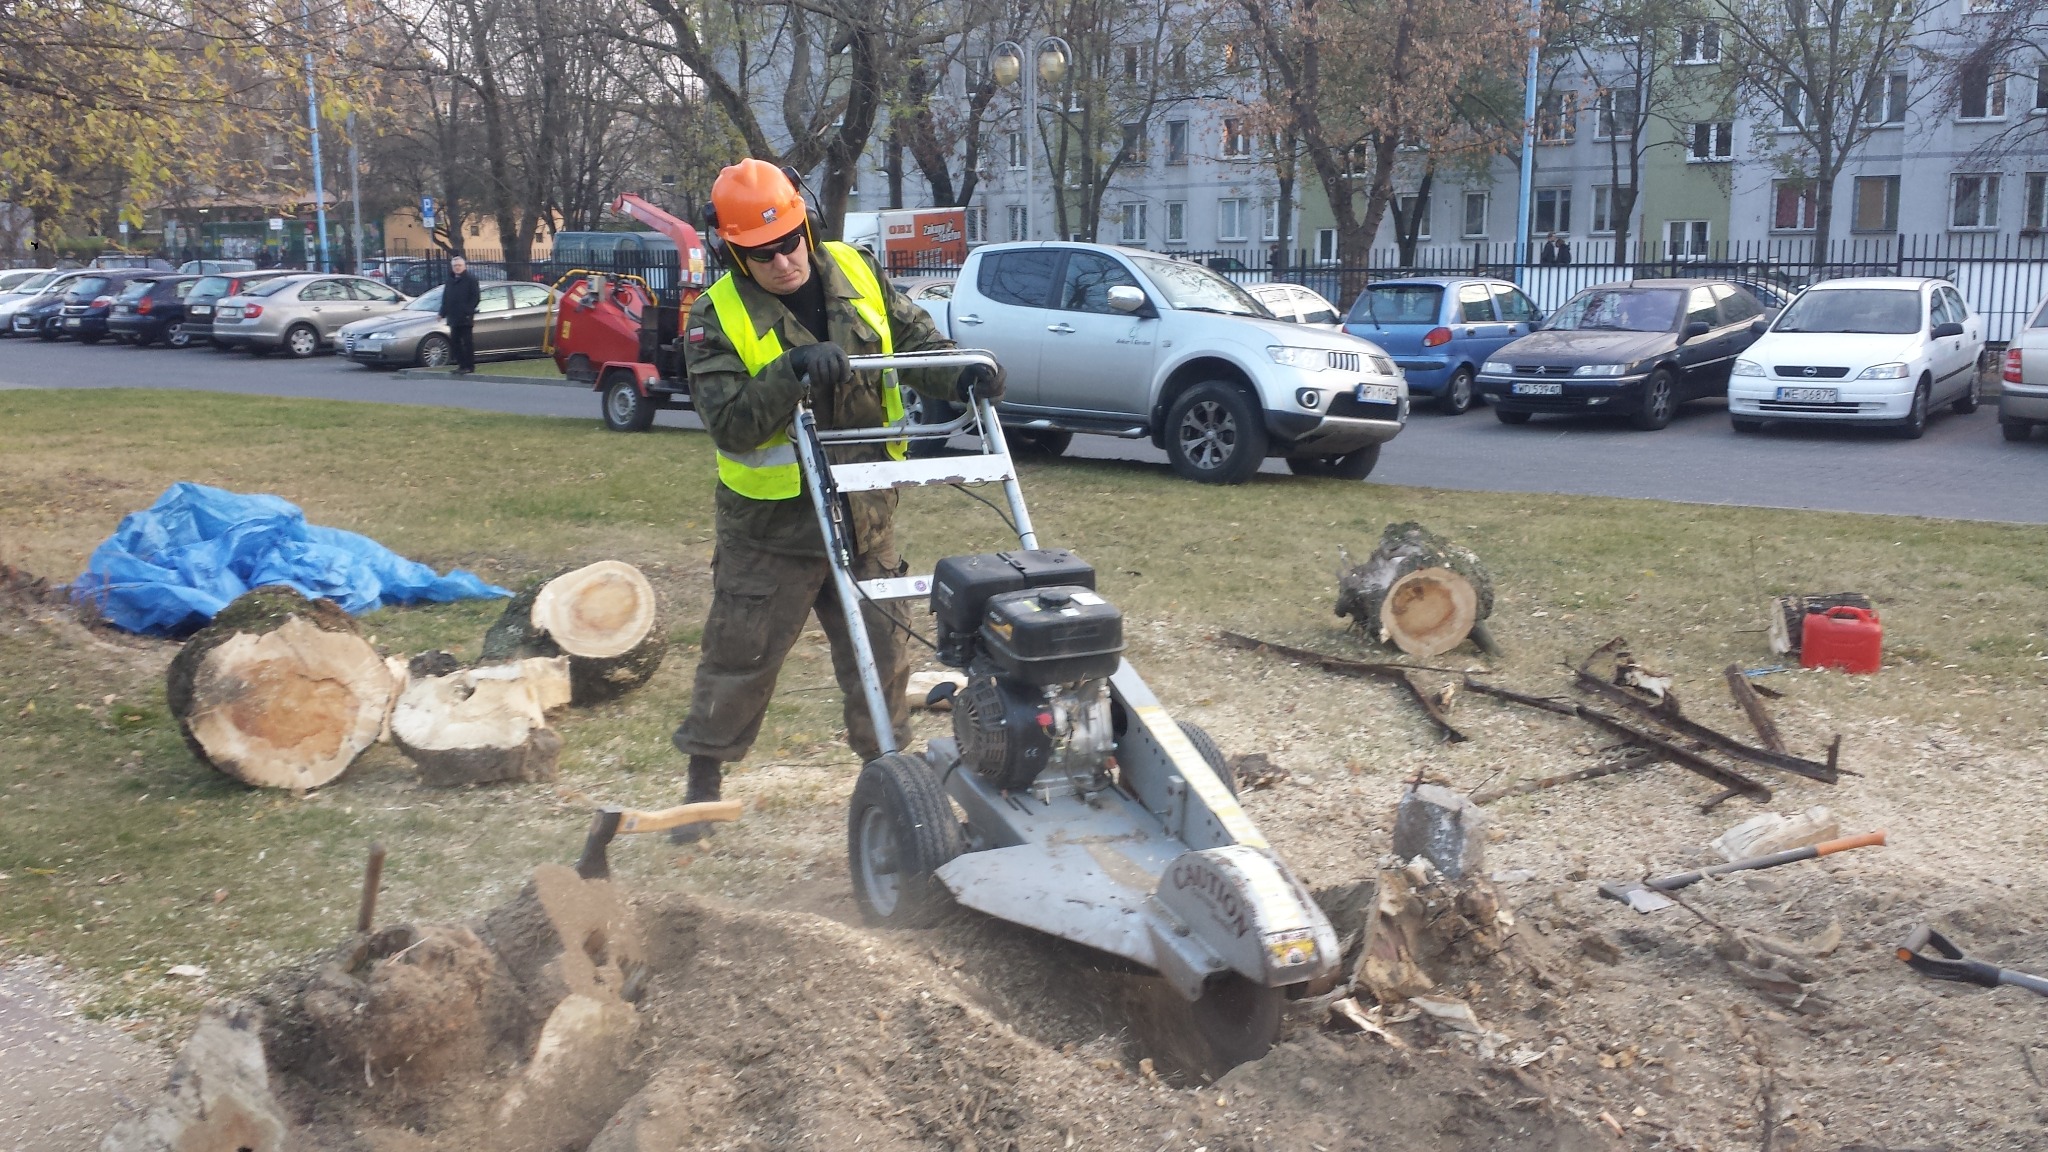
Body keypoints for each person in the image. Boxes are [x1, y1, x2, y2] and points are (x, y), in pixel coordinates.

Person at [667, 158, 1004, 839]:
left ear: (808, 224)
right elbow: (729, 420)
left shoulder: (855, 270)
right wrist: (789, 370)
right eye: (763, 254)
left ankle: (891, 780)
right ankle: (702, 785)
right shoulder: (713, 317)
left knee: (882, 657)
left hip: (864, 513)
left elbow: (914, 340)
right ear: (735, 251)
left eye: (792, 240)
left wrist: (963, 372)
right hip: (773, 531)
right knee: (741, 658)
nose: (785, 260)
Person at [439, 255, 481, 374]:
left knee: (467, 343)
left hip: (465, 317)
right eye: (455, 266)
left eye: (459, 265)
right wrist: (442, 313)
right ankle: (461, 365)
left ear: (464, 266)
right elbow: (446, 298)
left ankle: (469, 366)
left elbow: (475, 297)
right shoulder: (450, 280)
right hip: (453, 316)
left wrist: (468, 310)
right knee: (455, 342)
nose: (457, 268)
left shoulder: (471, 279)